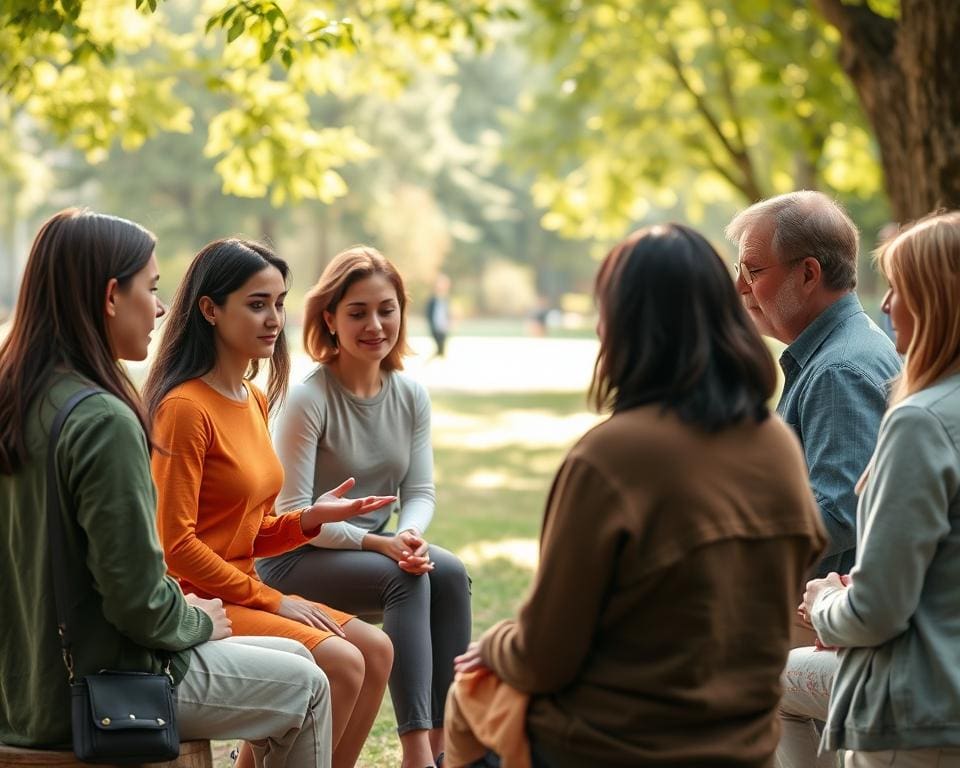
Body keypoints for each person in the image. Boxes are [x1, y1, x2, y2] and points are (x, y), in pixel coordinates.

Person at [450, 223, 826, 767]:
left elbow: (544, 658)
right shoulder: (776, 448)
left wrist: (497, 643)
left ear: (620, 324)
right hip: (744, 743)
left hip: (615, 744)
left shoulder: (610, 458)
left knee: (467, 695)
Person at [0, 209, 333, 766]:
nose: (159, 307)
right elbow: (137, 601)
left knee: (298, 659)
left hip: (21, 687)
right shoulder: (101, 419)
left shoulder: (18, 398)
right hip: (100, 687)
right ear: (111, 296)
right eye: (151, 288)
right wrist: (198, 618)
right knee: (309, 684)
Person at [142, 239, 394, 768]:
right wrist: (273, 599)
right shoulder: (185, 408)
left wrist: (307, 520)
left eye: (279, 302)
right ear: (210, 310)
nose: (273, 318)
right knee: (345, 663)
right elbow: (176, 546)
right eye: (257, 304)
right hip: (202, 601)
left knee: (377, 650)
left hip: (244, 589)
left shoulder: (253, 399)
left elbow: (245, 529)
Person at [256, 245, 472, 768]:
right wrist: (383, 544)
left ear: (402, 310)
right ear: (329, 318)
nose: (375, 324)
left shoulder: (410, 394)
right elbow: (293, 511)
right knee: (406, 577)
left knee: (448, 572)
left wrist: (412, 536)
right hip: (292, 557)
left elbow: (419, 491)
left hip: (373, 554)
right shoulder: (309, 397)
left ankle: (447, 745)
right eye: (357, 313)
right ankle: (416, 751)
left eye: (386, 309)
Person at [802, 211, 960, 767]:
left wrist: (825, 602)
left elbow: (875, 613)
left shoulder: (921, 421)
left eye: (900, 288)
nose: (887, 305)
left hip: (919, 714)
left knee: (774, 678)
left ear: (939, 299)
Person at [425, 273, 451, 358]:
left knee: (442, 351)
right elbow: (428, 314)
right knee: (439, 350)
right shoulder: (432, 300)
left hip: (444, 329)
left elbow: (448, 314)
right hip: (435, 328)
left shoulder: (446, 300)